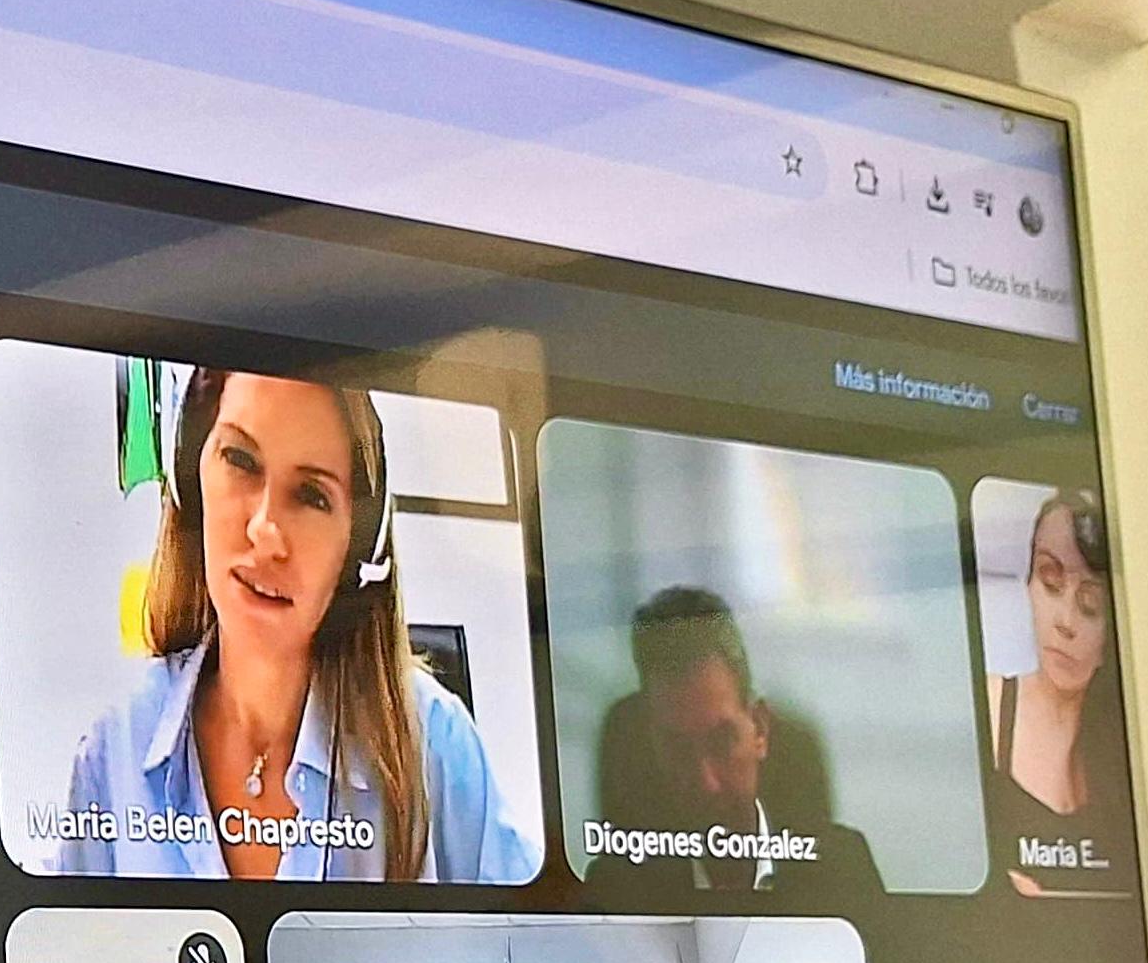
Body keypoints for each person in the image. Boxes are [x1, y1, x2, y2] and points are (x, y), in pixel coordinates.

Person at [48, 368, 533, 883]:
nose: (266, 532)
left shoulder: (436, 743)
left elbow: (537, 929)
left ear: (357, 549)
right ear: (191, 478)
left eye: (311, 495)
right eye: (240, 460)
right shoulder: (114, 744)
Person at [584, 586, 887, 901]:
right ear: (654, 744)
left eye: (721, 742)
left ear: (760, 729)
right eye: (679, 749)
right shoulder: (614, 889)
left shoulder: (844, 870)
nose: (707, 783)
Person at [990, 490, 1124, 894]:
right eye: (1050, 580)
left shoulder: (1130, 756)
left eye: (1091, 603)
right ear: (1029, 584)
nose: (1065, 621)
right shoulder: (986, 707)